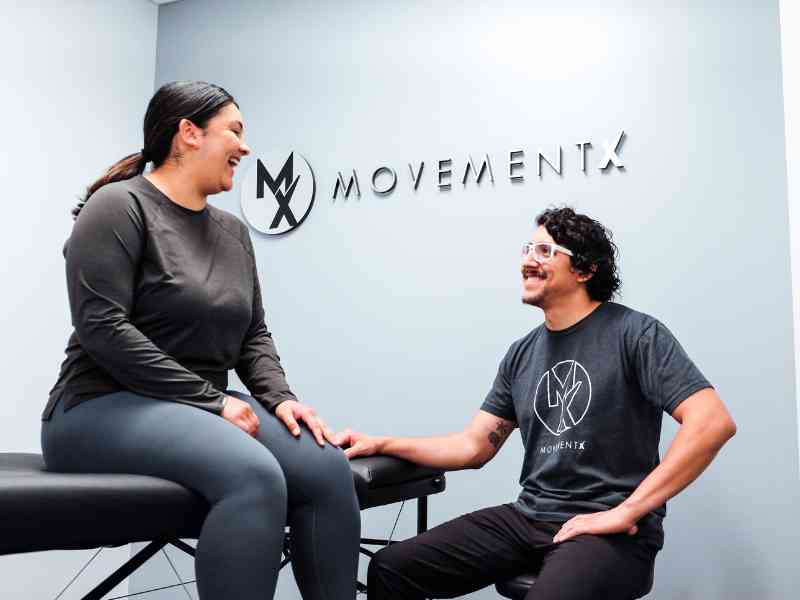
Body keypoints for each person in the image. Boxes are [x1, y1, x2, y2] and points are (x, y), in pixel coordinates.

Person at [40, 81, 360, 600]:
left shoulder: (232, 232)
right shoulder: (119, 207)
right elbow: (103, 327)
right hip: (97, 407)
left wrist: (281, 400)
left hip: (199, 409)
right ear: (188, 134)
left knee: (324, 467)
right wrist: (212, 401)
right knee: (254, 475)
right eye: (235, 130)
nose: (246, 146)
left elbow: (253, 332)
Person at [338, 207, 737, 600]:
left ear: (584, 270)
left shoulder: (636, 334)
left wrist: (628, 511)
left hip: (612, 530)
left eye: (545, 252)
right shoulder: (522, 353)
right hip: (529, 517)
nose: (528, 260)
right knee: (391, 569)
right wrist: (383, 443)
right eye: (527, 249)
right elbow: (473, 446)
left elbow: (712, 422)